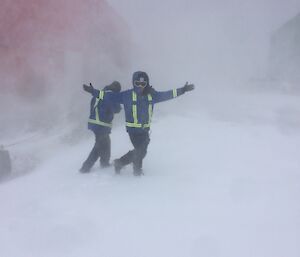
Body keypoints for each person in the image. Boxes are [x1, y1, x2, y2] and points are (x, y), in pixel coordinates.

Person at [91, 71, 195, 176]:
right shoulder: (127, 95)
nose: (140, 86)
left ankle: (132, 168)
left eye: (143, 84)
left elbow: (167, 95)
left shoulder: (152, 95)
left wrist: (183, 90)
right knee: (141, 151)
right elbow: (109, 96)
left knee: (140, 152)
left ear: (147, 83)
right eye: (137, 84)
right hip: (133, 131)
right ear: (133, 83)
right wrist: (93, 92)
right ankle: (125, 165)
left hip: (144, 131)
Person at [79, 81, 121, 173]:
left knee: (105, 143)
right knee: (99, 146)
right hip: (101, 124)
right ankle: (85, 168)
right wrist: (117, 106)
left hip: (96, 123)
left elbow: (95, 105)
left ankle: (104, 163)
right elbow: (116, 108)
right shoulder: (109, 95)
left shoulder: (102, 93)